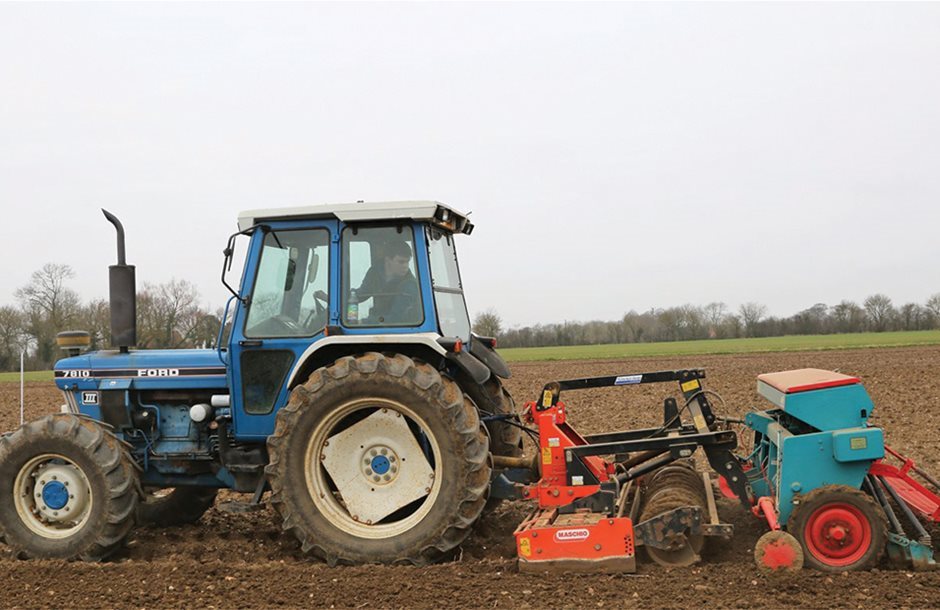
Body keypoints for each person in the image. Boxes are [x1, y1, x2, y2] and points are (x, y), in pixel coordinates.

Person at [355, 241, 420, 325]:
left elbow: (395, 318)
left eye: (407, 262)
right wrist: (347, 296)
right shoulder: (375, 272)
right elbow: (362, 293)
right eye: (401, 262)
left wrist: (364, 322)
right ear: (388, 260)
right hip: (376, 322)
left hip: (401, 329)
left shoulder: (409, 285)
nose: (406, 266)